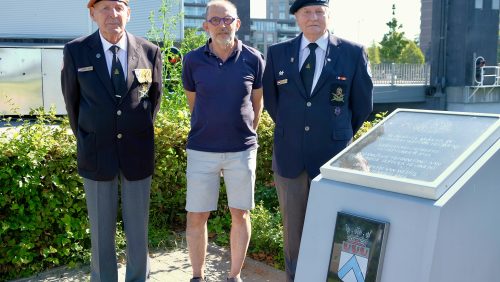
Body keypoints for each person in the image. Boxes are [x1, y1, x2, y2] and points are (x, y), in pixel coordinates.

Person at [262, 0, 373, 280]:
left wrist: (335, 134)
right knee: (293, 235)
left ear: (328, 15)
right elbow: (273, 103)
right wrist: (296, 129)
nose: (313, 17)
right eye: (306, 12)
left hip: (334, 159)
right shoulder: (278, 53)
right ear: (296, 18)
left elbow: (361, 106)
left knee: (334, 229)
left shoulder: (352, 52)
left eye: (319, 12)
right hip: (290, 160)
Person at [61, 0, 162, 281]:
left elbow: (153, 102)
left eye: (119, 7)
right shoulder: (76, 51)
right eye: (104, 7)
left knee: (138, 229)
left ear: (129, 13)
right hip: (96, 152)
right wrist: (91, 135)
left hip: (137, 151)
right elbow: (73, 104)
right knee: (101, 231)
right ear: (92, 13)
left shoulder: (150, 52)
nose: (112, 14)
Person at [181, 1, 265, 281]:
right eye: (215, 20)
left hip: (241, 151)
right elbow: (194, 103)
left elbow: (257, 104)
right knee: (196, 216)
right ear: (206, 26)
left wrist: (244, 132)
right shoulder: (192, 60)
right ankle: (197, 275)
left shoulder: (254, 58)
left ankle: (234, 276)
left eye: (227, 20)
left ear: (237, 24)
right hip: (202, 149)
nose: (222, 25)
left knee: (240, 214)